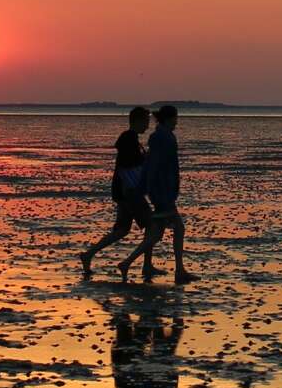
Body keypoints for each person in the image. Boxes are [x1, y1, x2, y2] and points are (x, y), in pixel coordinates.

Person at [79, 107, 161, 280]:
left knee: (122, 230)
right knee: (153, 226)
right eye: (145, 121)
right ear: (137, 121)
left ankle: (89, 254)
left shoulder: (131, 139)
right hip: (130, 192)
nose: (147, 125)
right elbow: (127, 165)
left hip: (125, 192)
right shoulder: (128, 138)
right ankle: (143, 265)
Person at [119, 105, 197, 284]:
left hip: (161, 192)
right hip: (163, 193)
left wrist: (146, 187)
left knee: (158, 234)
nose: (177, 122)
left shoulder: (160, 137)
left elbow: (151, 165)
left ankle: (130, 263)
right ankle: (178, 271)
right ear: (169, 119)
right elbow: (157, 167)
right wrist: (158, 190)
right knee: (175, 229)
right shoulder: (165, 138)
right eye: (176, 118)